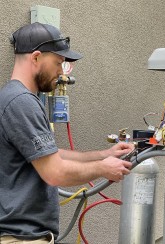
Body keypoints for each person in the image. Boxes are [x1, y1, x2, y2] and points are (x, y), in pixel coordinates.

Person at [0, 22, 134, 243]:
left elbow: (51, 154)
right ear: (35, 58)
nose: (61, 72)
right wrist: (103, 169)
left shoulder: (15, 98)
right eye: (58, 63)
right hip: (20, 238)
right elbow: (55, 172)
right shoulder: (21, 102)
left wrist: (104, 155)